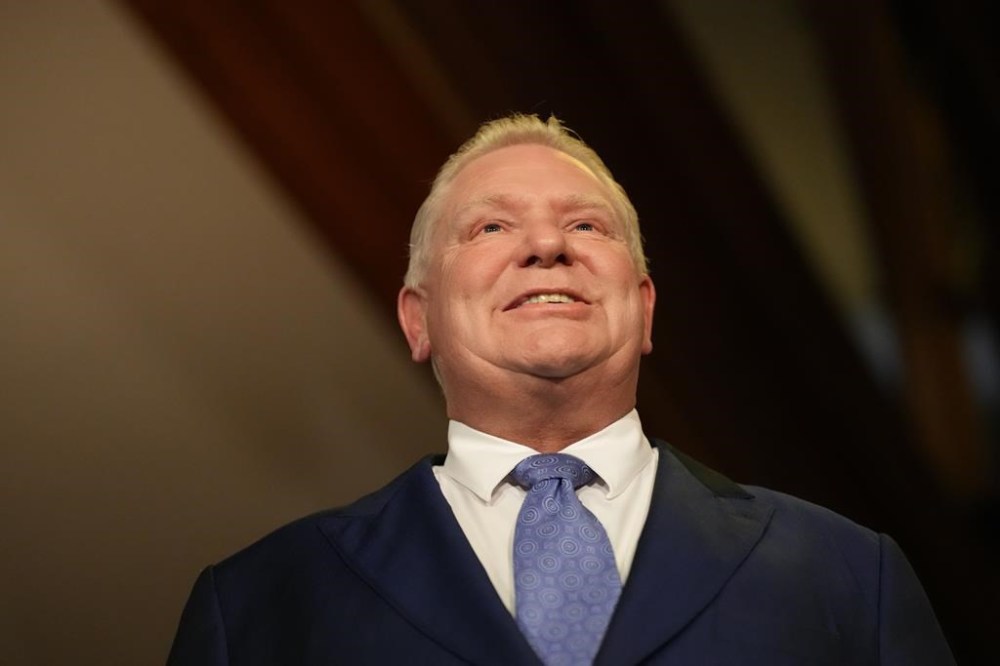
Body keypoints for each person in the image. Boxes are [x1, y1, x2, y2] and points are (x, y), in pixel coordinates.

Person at [168, 114, 955, 665]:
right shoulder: (260, 606)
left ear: (644, 308)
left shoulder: (848, 574)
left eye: (586, 226)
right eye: (490, 228)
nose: (547, 245)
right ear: (419, 320)